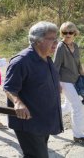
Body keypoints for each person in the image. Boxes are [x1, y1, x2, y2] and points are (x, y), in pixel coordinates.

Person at [4, 21, 63, 158]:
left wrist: (56, 85)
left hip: (43, 120)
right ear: (38, 40)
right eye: (52, 39)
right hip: (29, 122)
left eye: (57, 39)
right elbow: (9, 88)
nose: (56, 43)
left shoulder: (47, 58)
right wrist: (17, 102)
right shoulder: (21, 61)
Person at [53, 21, 84, 143]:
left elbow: (78, 63)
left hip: (75, 80)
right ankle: (78, 135)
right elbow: (56, 66)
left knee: (67, 106)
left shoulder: (75, 46)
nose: (68, 34)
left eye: (70, 32)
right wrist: (56, 84)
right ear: (62, 33)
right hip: (64, 81)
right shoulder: (61, 47)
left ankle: (50, 117)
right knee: (78, 106)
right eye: (65, 32)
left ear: (75, 33)